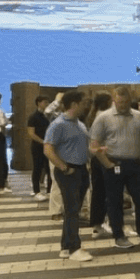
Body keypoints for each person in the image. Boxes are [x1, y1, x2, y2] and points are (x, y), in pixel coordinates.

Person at [89, 85, 140, 249]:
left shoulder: (139, 116)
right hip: (113, 163)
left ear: (130, 101)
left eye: (125, 102)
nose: (122, 105)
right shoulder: (103, 118)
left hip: (135, 164)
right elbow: (93, 146)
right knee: (115, 202)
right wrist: (107, 164)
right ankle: (119, 235)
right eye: (119, 102)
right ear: (114, 100)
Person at [44, 92, 94, 264]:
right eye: (83, 103)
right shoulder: (58, 124)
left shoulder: (79, 124)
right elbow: (48, 149)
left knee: (73, 210)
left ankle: (66, 246)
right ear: (74, 104)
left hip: (81, 169)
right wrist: (64, 167)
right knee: (72, 210)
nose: (86, 106)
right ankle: (74, 248)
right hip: (69, 171)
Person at [87, 91, 112, 234]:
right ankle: (107, 221)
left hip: (96, 157)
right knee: (108, 191)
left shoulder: (93, 116)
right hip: (104, 156)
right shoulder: (105, 117)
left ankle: (97, 222)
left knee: (98, 191)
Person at [26, 95, 51, 200]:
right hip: (37, 146)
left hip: (47, 146)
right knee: (37, 168)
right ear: (39, 103)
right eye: (45, 102)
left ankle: (50, 191)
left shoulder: (46, 116)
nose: (47, 104)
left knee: (49, 169)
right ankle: (36, 191)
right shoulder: (33, 117)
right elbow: (31, 133)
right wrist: (42, 142)